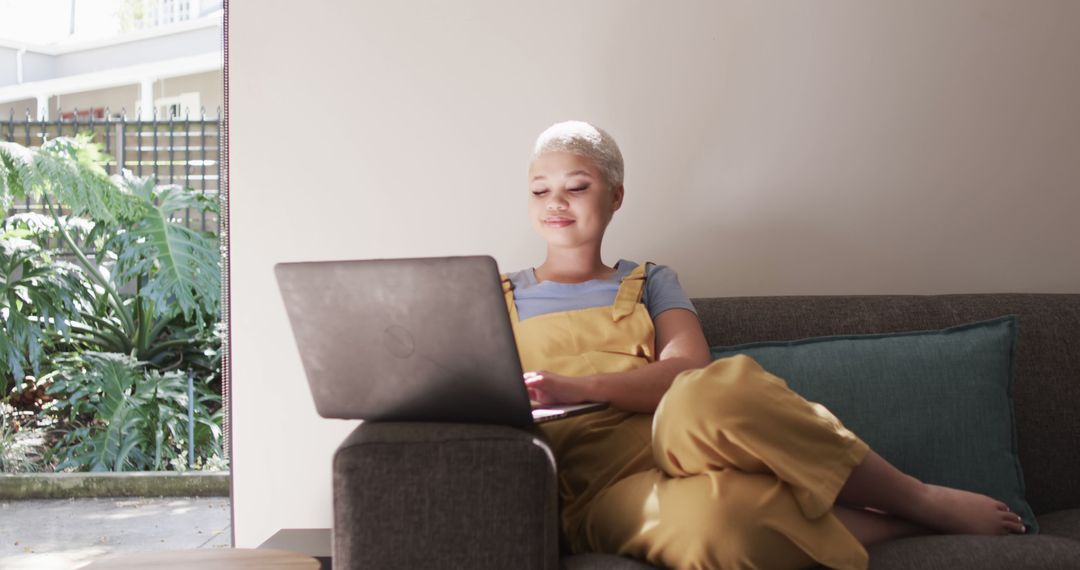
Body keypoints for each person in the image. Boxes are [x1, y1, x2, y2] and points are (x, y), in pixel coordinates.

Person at [499, 120, 1025, 570]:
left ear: (615, 196)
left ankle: (919, 497)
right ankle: (900, 527)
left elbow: (686, 371)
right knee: (717, 522)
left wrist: (580, 384)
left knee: (714, 392)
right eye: (539, 190)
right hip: (592, 491)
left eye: (577, 185)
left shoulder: (651, 281)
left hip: (670, 436)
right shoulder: (491, 296)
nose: (556, 202)